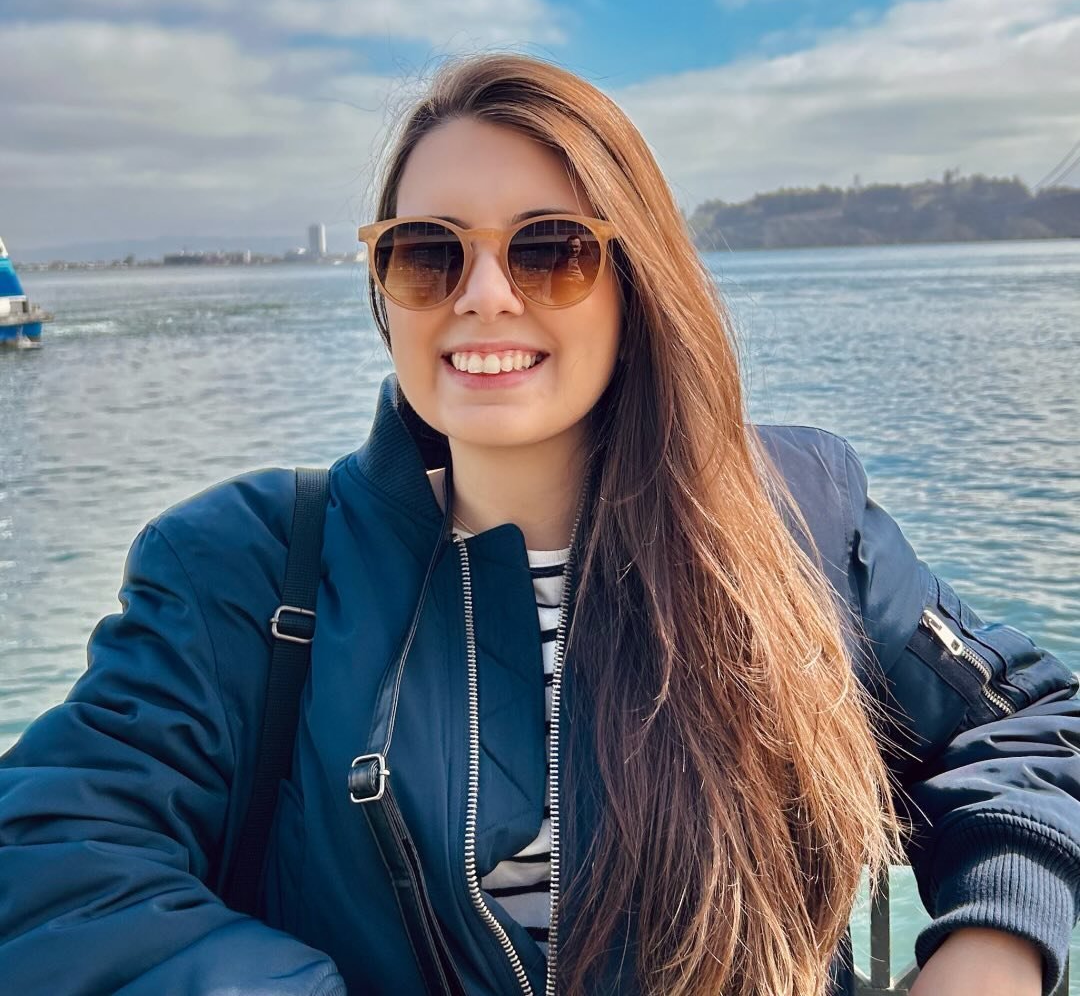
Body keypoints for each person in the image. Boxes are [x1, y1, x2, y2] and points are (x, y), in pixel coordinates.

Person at [1, 54, 1078, 996]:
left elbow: (1027, 725)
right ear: (385, 288)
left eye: (548, 249)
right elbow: (52, 856)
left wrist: (995, 945)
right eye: (428, 252)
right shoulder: (244, 568)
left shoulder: (799, 512)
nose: (482, 295)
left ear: (636, 283)